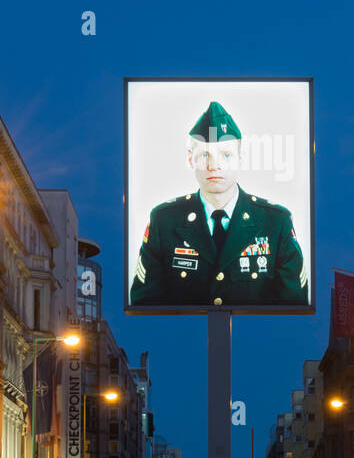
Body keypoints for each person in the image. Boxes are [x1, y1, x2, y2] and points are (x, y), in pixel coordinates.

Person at [129, 101, 309, 308]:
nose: (214, 165)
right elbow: (145, 303)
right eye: (205, 155)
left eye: (226, 155)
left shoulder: (276, 222)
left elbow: (293, 305)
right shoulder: (164, 220)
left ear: (241, 158)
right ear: (190, 160)